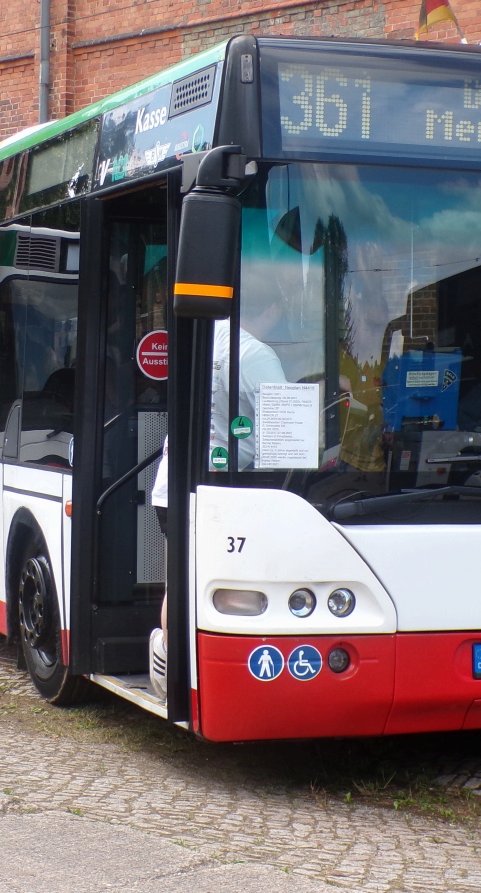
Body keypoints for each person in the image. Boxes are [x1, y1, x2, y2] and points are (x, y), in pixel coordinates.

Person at [148, 298, 287, 701]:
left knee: (181, 580)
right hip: (225, 489)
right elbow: (284, 433)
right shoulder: (254, 353)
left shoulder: (201, 341)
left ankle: (169, 664)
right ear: (271, 307)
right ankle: (192, 675)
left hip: (173, 486)